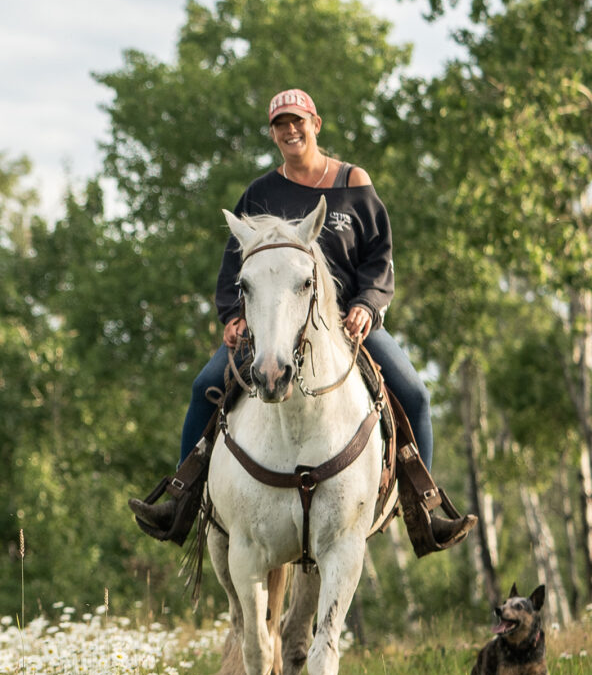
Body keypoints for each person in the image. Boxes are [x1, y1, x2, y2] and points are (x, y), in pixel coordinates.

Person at [129, 87, 476, 553]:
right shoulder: (260, 192)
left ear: (316, 123)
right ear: (273, 133)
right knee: (203, 387)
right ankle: (181, 499)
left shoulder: (354, 182)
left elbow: (380, 257)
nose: (291, 131)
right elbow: (237, 264)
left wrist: (368, 305)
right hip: (272, 325)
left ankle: (424, 510)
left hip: (349, 324)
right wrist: (232, 316)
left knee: (413, 392)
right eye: (280, 125)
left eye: (298, 121)